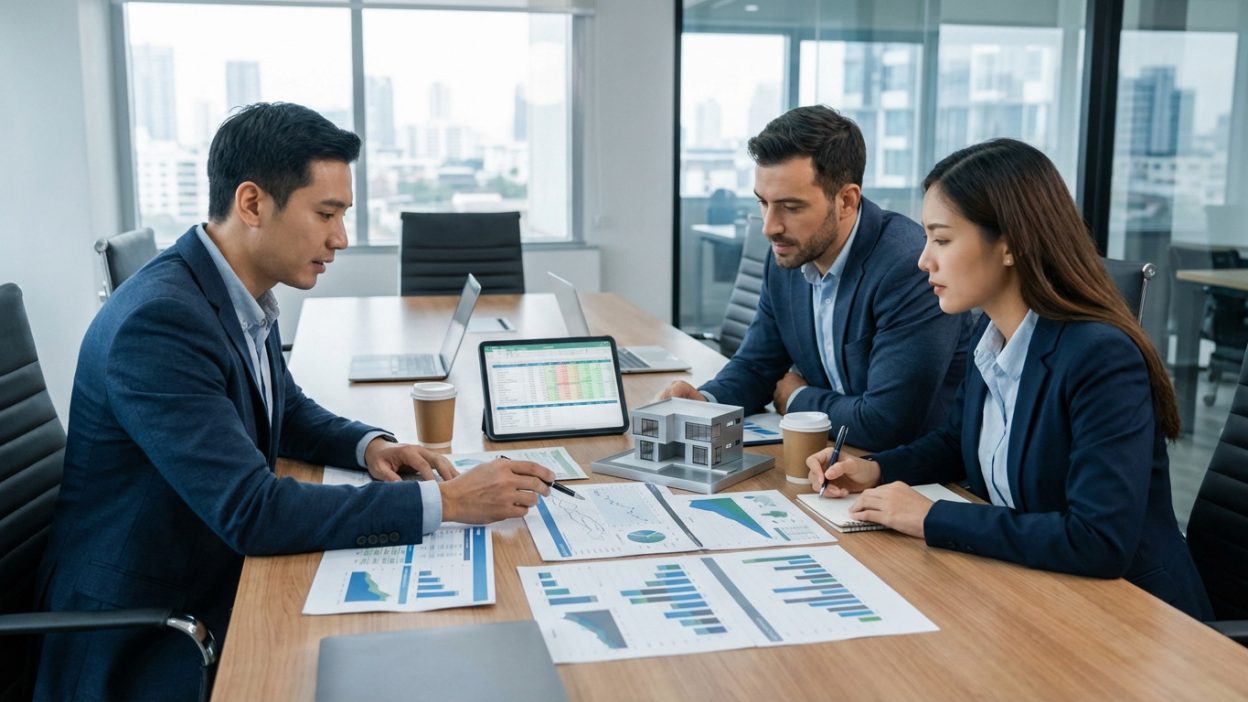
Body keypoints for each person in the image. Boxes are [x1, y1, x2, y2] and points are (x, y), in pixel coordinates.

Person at [34, 103, 556, 699]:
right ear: (253, 203)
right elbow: (252, 513)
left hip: (202, 569)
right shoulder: (161, 323)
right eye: (326, 214)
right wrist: (447, 501)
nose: (340, 238)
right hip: (145, 626)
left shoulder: (225, 292)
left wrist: (371, 446)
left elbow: (283, 407)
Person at [807, 138, 1212, 619]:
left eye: (942, 239)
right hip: (1033, 594)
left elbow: (1097, 540)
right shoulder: (993, 333)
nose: (923, 260)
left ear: (1009, 245)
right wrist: (873, 469)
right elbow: (958, 442)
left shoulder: (1101, 359)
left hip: (1134, 620)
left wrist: (932, 517)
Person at [662, 105, 972, 451]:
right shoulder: (790, 254)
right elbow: (757, 365)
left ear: (846, 201)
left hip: (913, 475)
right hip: (834, 458)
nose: (769, 227)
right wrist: (705, 400)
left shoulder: (908, 267)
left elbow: (886, 423)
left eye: (791, 207)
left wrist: (797, 398)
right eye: (763, 203)